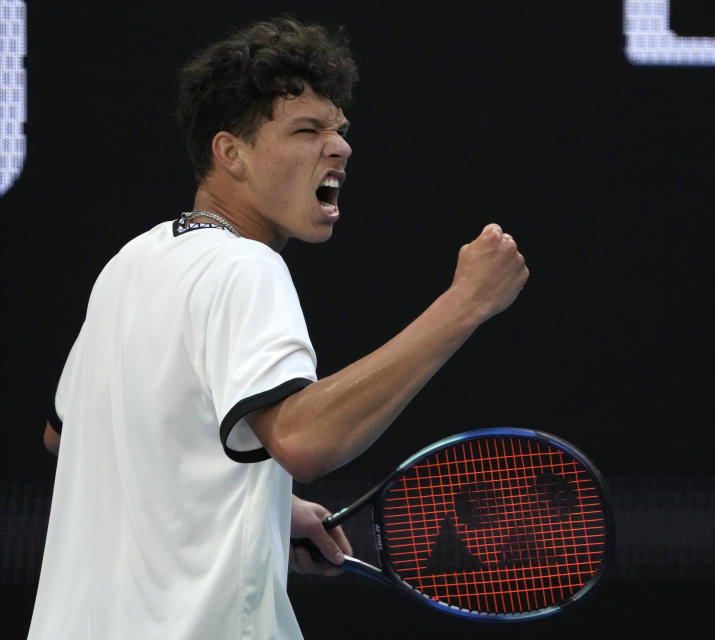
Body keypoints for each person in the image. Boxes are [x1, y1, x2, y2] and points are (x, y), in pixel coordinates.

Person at [28, 17, 528, 639]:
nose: (340, 147)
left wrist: (259, 508)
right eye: (307, 130)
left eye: (339, 130)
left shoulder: (131, 263)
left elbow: (65, 436)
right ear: (229, 153)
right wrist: (465, 304)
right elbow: (301, 440)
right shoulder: (246, 267)